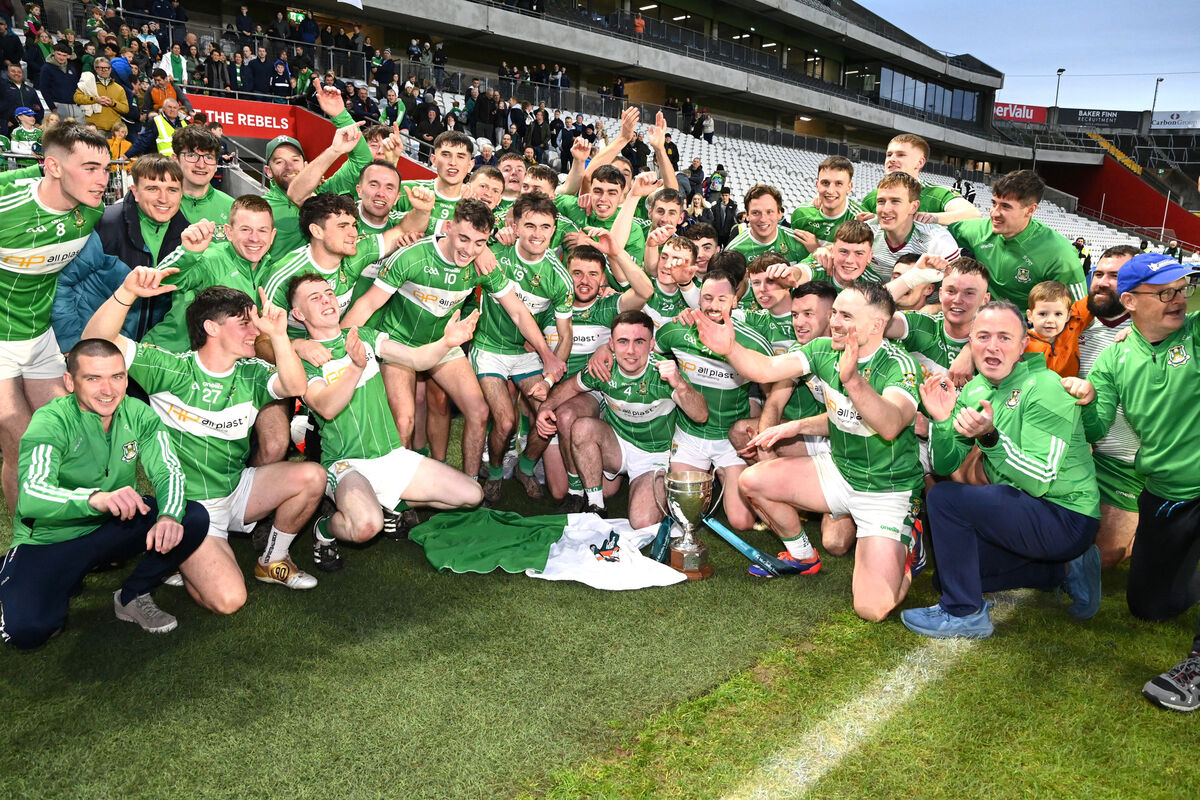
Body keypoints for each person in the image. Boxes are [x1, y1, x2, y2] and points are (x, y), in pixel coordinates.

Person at [81, 270, 328, 613]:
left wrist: (280, 335)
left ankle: (273, 559)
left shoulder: (252, 371)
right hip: (192, 508)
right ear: (211, 328)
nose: (253, 331)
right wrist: (126, 293)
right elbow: (95, 345)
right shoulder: (171, 368)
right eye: (243, 323)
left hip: (237, 488)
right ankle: (181, 555)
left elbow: (294, 385)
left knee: (313, 476)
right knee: (229, 601)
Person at [703, 282, 923, 622]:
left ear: (876, 326)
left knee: (872, 608)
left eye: (846, 316)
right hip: (839, 470)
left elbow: (890, 424)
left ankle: (907, 546)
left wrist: (852, 380)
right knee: (753, 481)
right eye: (834, 313)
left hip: (885, 490)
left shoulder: (898, 364)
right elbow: (766, 370)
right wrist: (730, 349)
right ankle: (803, 555)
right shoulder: (823, 349)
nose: (834, 322)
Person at [905, 300, 1101, 638]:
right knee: (950, 574)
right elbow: (946, 464)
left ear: (1024, 344)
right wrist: (940, 421)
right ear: (970, 342)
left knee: (946, 499)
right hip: (1022, 512)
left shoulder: (1047, 388)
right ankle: (1062, 569)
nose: (992, 346)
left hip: (1066, 517)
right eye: (982, 336)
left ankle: (964, 613)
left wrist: (990, 437)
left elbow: (1040, 480)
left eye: (1004, 338)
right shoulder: (977, 390)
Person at [0, 338, 209, 648]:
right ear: (70, 381)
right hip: (52, 539)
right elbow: (31, 495)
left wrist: (168, 516)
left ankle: (132, 595)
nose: (108, 390)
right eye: (93, 378)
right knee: (28, 632)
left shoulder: (138, 413)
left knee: (191, 517)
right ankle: (14, 570)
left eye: (117, 376)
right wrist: (93, 498)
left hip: (114, 524)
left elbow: (168, 471)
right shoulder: (50, 421)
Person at [1064, 253, 1200, 711]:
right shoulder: (1114, 359)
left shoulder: (1196, 334)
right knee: (1150, 607)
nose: (1178, 300)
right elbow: (1096, 428)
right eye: (1164, 293)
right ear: (1130, 301)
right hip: (1164, 492)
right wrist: (1081, 402)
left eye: (1181, 289)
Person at [342, 199, 555, 482]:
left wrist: (547, 354)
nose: (469, 249)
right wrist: (339, 339)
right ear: (448, 228)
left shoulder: (483, 264)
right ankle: (400, 496)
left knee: (479, 411)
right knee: (404, 421)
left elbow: (516, 310)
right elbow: (368, 304)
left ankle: (470, 486)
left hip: (445, 344)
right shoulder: (412, 257)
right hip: (400, 343)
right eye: (463, 238)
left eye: (479, 242)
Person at [288, 273, 483, 570]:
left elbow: (416, 359)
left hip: (391, 455)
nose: (326, 300)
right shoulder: (301, 360)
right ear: (298, 314)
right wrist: (355, 367)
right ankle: (324, 531)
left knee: (472, 494)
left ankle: (388, 499)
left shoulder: (362, 335)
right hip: (346, 464)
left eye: (328, 293)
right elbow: (326, 408)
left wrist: (446, 342)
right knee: (367, 526)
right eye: (315, 298)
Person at [0, 122, 108, 510]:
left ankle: (75, 524)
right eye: (91, 168)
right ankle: (26, 546)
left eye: (106, 168)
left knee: (72, 432)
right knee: (23, 440)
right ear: (54, 167)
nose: (102, 179)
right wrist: (40, 164)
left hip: (40, 337)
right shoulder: (7, 205)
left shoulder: (92, 211)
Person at [539, 310, 708, 524]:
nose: (630, 351)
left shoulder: (662, 373)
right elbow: (571, 386)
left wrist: (680, 384)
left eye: (639, 342)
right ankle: (596, 507)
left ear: (651, 343)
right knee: (582, 428)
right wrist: (546, 407)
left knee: (641, 522)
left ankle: (649, 487)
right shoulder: (604, 367)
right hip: (617, 445)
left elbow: (701, 415)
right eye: (623, 341)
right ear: (611, 343)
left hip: (653, 455)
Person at [471, 193, 572, 504]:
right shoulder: (495, 253)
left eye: (545, 226)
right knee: (504, 421)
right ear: (514, 225)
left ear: (554, 229)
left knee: (548, 414)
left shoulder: (559, 278)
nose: (537, 234)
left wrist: (550, 379)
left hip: (527, 353)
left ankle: (526, 467)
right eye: (529, 225)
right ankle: (497, 471)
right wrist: (486, 243)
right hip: (488, 346)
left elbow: (565, 337)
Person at [655, 270, 773, 533]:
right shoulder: (676, 329)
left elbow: (772, 386)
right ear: (698, 300)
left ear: (735, 301)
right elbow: (646, 351)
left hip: (729, 440)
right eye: (707, 298)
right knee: (687, 515)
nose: (713, 305)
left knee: (741, 521)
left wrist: (758, 414)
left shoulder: (752, 341)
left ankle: (726, 477)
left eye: (722, 299)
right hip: (689, 436)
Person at [52, 155, 190, 352]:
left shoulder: (188, 236)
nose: (164, 199)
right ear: (134, 192)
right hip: (94, 348)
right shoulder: (105, 225)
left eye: (172, 190)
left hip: (146, 356)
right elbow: (61, 283)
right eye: (152, 188)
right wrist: (72, 342)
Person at [1071, 245, 1141, 569]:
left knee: (1107, 554)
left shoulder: (1149, 335)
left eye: (1114, 276)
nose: (1101, 281)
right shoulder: (1070, 322)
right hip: (1073, 452)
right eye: (1098, 274)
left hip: (1122, 464)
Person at [264, 84, 373, 260]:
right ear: (268, 171)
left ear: (306, 165)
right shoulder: (261, 208)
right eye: (279, 161)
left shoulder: (326, 194)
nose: (289, 167)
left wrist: (339, 115)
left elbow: (362, 162)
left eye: (295, 160)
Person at [948, 170, 1085, 310]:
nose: (994, 213)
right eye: (994, 203)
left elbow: (1078, 313)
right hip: (984, 315)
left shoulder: (1060, 254)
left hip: (1029, 325)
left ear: (1030, 210)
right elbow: (942, 231)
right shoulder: (979, 230)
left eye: (1006, 206)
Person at [859, 133, 980, 226]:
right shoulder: (872, 198)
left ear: (920, 162)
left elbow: (973, 214)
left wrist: (933, 218)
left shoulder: (939, 193)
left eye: (901, 155)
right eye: (889, 154)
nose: (891, 159)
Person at [866, 172, 960, 283]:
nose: (885, 210)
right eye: (881, 201)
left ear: (913, 206)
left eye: (895, 201)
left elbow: (957, 293)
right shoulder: (867, 233)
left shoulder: (938, 241)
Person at [791, 156, 860, 252]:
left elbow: (855, 263)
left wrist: (817, 249)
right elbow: (794, 253)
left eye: (839, 183)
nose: (831, 191)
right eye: (825, 183)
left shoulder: (859, 220)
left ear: (849, 187)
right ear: (817, 185)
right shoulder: (801, 214)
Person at [1023, 280, 1090, 378]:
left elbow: (1094, 298)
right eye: (1042, 314)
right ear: (1030, 315)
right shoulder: (1021, 342)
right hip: (1033, 391)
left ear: (1068, 316)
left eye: (1058, 314)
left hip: (1068, 391)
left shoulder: (1072, 326)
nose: (1050, 320)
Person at [171, 124, 234, 225]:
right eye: (192, 155)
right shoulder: (160, 204)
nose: (201, 165)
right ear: (176, 160)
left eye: (209, 157)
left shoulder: (232, 208)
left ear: (216, 164)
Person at [73, 57, 128, 133]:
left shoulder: (119, 88)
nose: (105, 70)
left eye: (107, 68)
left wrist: (113, 103)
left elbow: (125, 109)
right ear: (96, 68)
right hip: (95, 129)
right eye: (102, 68)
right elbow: (77, 98)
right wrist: (95, 100)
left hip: (114, 130)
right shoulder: (88, 83)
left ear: (111, 69)